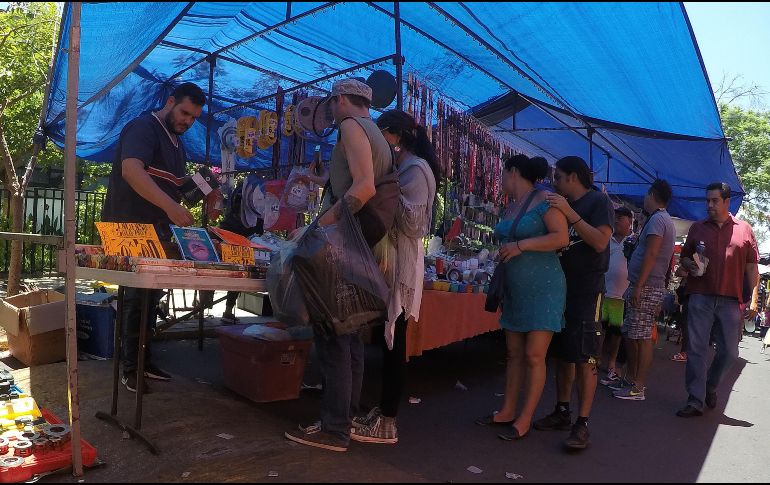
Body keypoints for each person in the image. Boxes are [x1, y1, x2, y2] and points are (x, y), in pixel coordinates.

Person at [284, 78, 391, 452]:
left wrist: (317, 228)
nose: (330, 109)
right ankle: (345, 417)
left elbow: (363, 188)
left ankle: (334, 429)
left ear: (341, 99)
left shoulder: (349, 125)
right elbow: (347, 179)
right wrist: (313, 179)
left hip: (344, 238)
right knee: (351, 333)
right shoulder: (375, 132)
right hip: (361, 241)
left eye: (332, 102)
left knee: (334, 335)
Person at [102, 82, 205, 393]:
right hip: (128, 226)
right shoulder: (143, 126)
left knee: (152, 296)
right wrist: (171, 206)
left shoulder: (178, 144)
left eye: (193, 118)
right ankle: (129, 367)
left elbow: (176, 186)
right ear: (170, 101)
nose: (187, 121)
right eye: (185, 112)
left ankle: (143, 361)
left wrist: (207, 192)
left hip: (158, 230)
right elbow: (132, 171)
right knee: (134, 297)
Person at [349, 109, 438, 445]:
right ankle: (384, 413)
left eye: (380, 134)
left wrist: (382, 194)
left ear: (395, 136)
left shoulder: (416, 169)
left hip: (402, 262)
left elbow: (414, 225)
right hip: (395, 258)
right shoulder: (407, 167)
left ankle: (389, 421)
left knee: (394, 341)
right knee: (389, 340)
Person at [473, 155, 569, 441]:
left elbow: (561, 237)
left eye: (502, 173)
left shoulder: (545, 199)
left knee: (533, 355)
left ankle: (525, 418)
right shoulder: (511, 206)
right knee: (514, 353)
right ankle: (507, 410)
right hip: (516, 289)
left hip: (546, 288)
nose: (500, 179)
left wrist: (521, 245)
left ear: (513, 171)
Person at [534, 156, 614, 450]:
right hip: (560, 287)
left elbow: (600, 242)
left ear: (573, 177)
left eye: (558, 177)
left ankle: (583, 423)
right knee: (563, 354)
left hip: (587, 289)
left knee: (585, 356)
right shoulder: (560, 204)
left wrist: (570, 213)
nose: (554, 183)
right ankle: (562, 410)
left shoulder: (597, 202)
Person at [676, 183, 759, 417]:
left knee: (730, 352)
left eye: (714, 200)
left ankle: (710, 386)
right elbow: (684, 259)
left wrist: (753, 301)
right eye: (708, 201)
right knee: (696, 349)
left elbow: (752, 268)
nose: (710, 205)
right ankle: (695, 399)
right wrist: (689, 265)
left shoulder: (745, 230)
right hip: (700, 296)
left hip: (732, 300)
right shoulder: (697, 228)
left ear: (726, 201)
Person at [613, 179, 676, 401]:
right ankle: (632, 381)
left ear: (652, 194)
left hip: (647, 286)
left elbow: (651, 254)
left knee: (640, 337)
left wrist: (639, 285)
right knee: (633, 334)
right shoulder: (660, 219)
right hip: (646, 285)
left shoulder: (658, 219)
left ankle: (637, 386)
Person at [199, 179, 264, 325]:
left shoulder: (237, 192)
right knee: (237, 274)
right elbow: (258, 226)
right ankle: (225, 310)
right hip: (240, 238)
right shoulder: (254, 193)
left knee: (214, 268)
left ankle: (204, 304)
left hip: (227, 233)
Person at [599, 206, 633, 386]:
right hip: (604, 292)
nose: (618, 220)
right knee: (601, 328)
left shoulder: (633, 241)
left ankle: (612, 363)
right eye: (616, 217)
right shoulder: (606, 239)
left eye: (622, 217)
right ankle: (595, 358)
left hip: (622, 296)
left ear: (630, 221)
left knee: (616, 333)